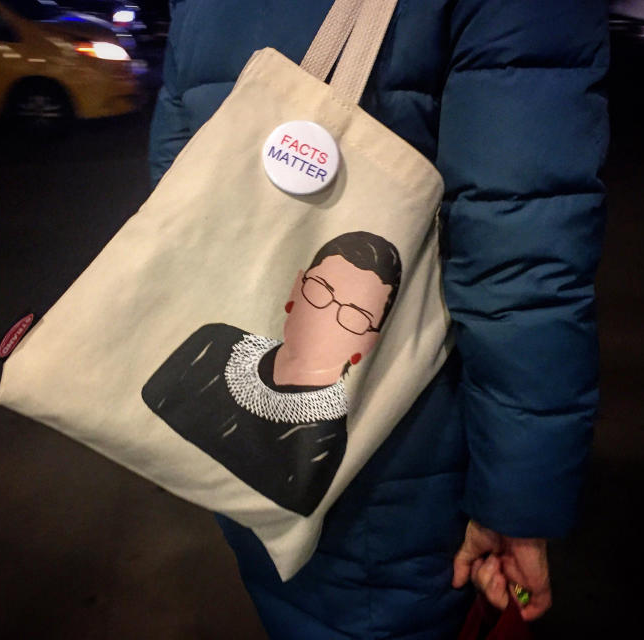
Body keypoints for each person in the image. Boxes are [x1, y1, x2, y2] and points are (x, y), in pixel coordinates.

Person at [148, 0, 609, 637]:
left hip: (241, 478)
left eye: (354, 313)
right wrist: (515, 499)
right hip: (403, 468)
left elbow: (175, 181)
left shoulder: (213, 357)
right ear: (297, 293)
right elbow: (519, 258)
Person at [142, 231, 401, 516]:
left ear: (367, 343)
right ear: (295, 291)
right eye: (319, 289)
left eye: (355, 315)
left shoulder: (323, 444)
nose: (325, 317)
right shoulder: (213, 341)